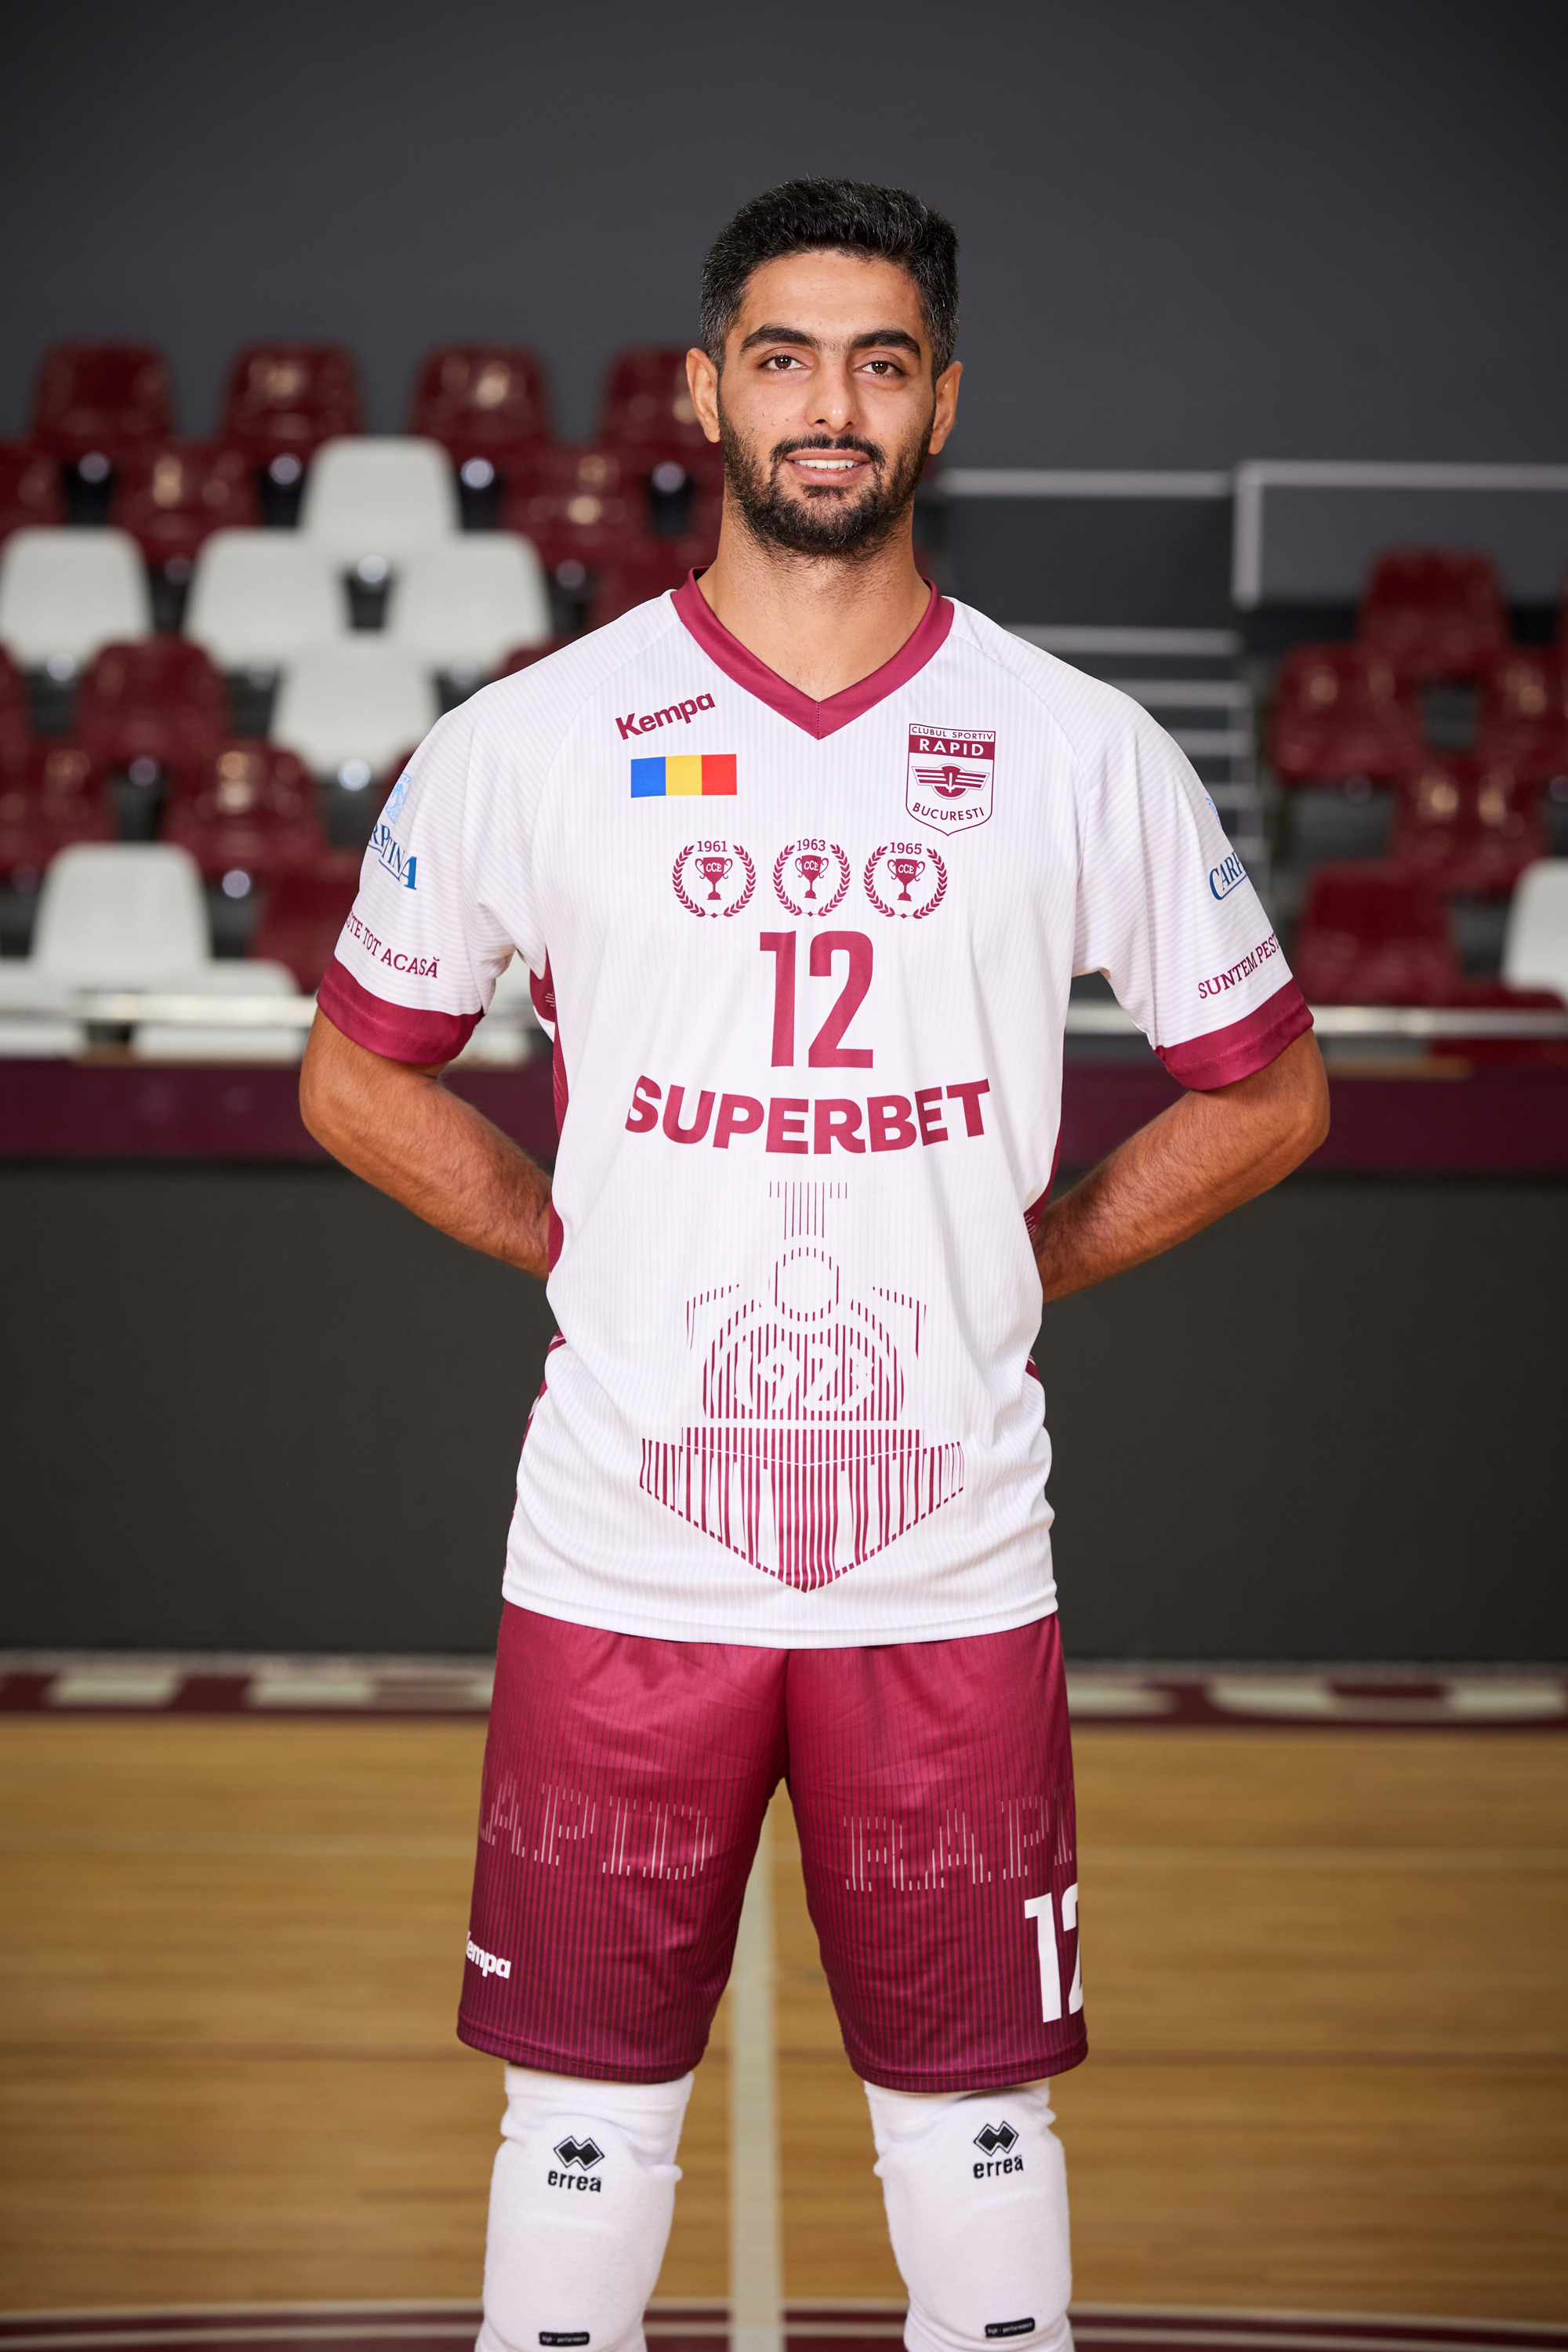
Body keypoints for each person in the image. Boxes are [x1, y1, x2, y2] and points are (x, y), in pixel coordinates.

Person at [301, 177, 1327, 2352]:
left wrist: (1032, 1261)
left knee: (975, 2124)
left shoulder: (1076, 745)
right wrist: (562, 1235)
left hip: (946, 1558)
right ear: (707, 392)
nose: (829, 406)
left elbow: (1271, 1093)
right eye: (783, 358)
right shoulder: (536, 735)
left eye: (879, 363)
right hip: (621, 1550)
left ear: (943, 403)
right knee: (583, 2119)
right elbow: (355, 1073)